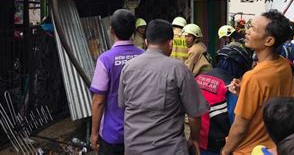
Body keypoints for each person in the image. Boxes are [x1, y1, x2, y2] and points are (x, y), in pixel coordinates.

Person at [118, 19, 209, 154]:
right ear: (171, 43)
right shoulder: (178, 70)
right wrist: (194, 138)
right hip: (169, 149)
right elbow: (194, 115)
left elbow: (123, 104)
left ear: (146, 42)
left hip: (134, 148)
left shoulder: (128, 67)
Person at [221, 10, 294, 155]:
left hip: (248, 150)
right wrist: (244, 92)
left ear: (269, 41)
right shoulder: (284, 66)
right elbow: (269, 102)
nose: (247, 32)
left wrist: (225, 151)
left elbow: (240, 128)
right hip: (273, 148)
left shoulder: (253, 77)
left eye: (253, 29)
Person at [89, 9, 143, 155]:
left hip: (113, 134)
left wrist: (94, 134)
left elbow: (98, 101)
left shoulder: (106, 59)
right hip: (141, 132)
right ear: (134, 30)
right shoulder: (144, 56)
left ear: (111, 30)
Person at [196, 44, 253, 155]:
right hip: (217, 147)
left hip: (196, 140)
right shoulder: (231, 86)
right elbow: (236, 122)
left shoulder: (198, 78)